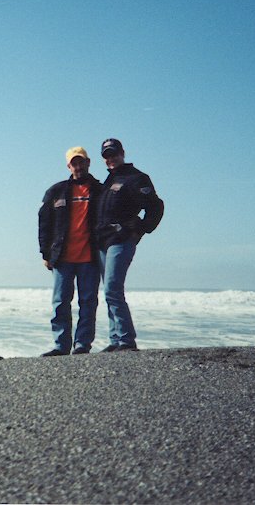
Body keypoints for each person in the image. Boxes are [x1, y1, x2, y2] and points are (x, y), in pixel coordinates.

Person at [95, 138, 164, 352]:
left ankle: (126, 340)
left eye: (114, 154)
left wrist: (141, 229)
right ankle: (115, 338)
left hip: (121, 240)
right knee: (108, 290)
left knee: (113, 289)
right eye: (106, 155)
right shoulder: (107, 182)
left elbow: (155, 205)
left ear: (122, 153)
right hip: (103, 241)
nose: (110, 158)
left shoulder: (137, 178)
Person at [38, 146, 102, 356]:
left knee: (88, 303)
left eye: (81, 161)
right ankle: (61, 345)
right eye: (74, 162)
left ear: (89, 162)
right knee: (60, 303)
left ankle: (82, 345)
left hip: (90, 258)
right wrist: (45, 253)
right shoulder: (56, 191)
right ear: (68, 165)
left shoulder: (100, 190)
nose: (78, 166)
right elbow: (44, 223)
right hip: (62, 258)